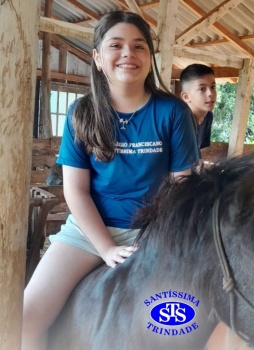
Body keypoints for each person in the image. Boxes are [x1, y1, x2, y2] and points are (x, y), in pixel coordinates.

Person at [22, 11, 199, 350]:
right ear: (98, 58)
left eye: (138, 46)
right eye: (115, 45)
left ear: (150, 57)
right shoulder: (81, 113)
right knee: (27, 315)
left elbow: (182, 185)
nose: (128, 54)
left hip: (156, 230)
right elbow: (75, 190)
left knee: (187, 320)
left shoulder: (173, 112)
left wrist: (160, 238)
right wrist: (106, 247)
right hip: (88, 232)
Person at [180, 64, 216, 152]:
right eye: (202, 89)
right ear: (186, 97)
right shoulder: (180, 120)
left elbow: (200, 151)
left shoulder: (208, 116)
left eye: (213, 87)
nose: (210, 93)